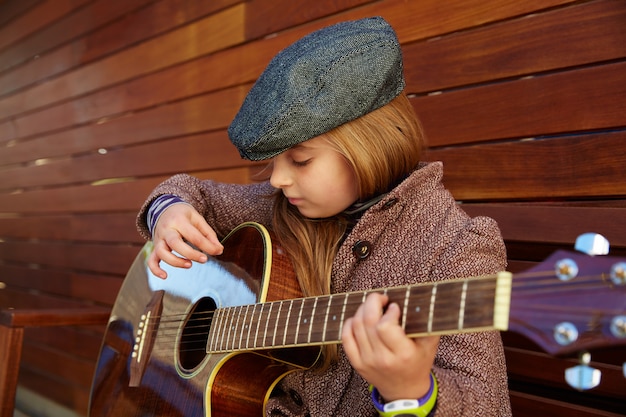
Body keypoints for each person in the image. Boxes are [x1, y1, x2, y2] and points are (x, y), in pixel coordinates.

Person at [137, 17, 512, 416]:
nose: (279, 179)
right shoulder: (282, 207)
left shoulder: (455, 246)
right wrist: (168, 211)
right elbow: (194, 195)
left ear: (370, 146)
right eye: (276, 162)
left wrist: (411, 394)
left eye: (300, 160)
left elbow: (485, 405)